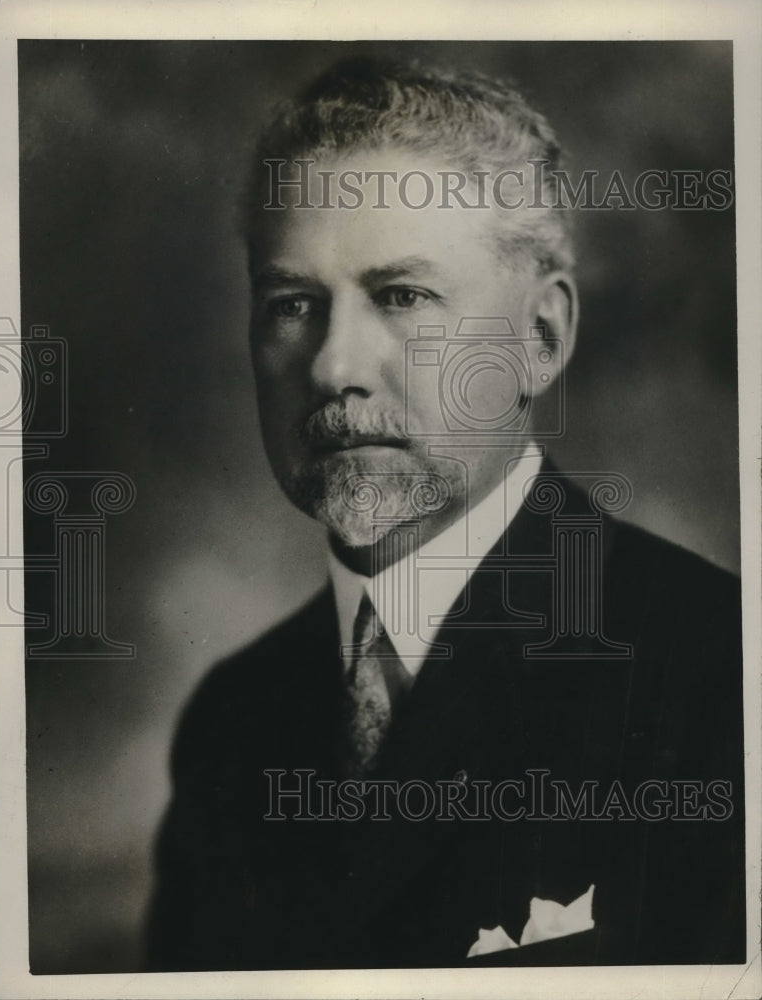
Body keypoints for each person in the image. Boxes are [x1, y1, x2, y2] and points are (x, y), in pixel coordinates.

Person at [144, 58, 745, 970]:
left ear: (541, 337)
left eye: (402, 297)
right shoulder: (231, 721)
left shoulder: (718, 673)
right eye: (291, 304)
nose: (333, 366)